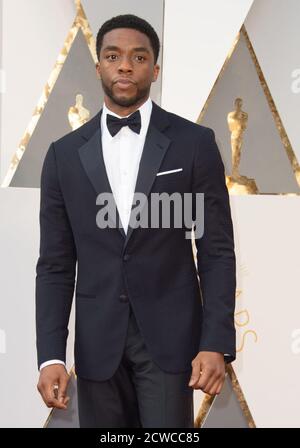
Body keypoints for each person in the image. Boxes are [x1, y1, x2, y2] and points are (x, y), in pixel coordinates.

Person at [36, 14, 236, 428]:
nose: (125, 65)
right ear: (99, 67)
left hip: (170, 342)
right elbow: (55, 264)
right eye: (113, 56)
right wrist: (52, 355)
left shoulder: (194, 144)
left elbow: (215, 250)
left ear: (154, 69)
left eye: (138, 57)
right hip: (97, 345)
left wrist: (215, 341)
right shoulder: (63, 154)